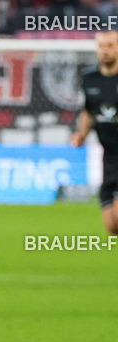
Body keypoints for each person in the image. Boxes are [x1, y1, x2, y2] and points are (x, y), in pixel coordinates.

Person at [70, 31, 118, 235]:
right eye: (101, 46)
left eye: (110, 46)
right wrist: (82, 134)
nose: (105, 51)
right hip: (108, 157)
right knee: (112, 227)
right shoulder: (90, 79)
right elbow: (89, 110)